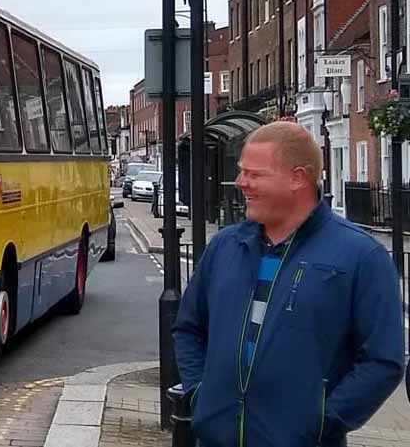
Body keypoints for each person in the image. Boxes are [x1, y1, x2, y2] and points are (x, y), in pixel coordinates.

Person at [173, 122, 404, 447]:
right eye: (242, 172)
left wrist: (322, 420)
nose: (241, 183)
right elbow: (188, 329)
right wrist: (201, 394)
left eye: (254, 174)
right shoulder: (225, 246)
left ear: (298, 177)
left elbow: (382, 361)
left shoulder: (362, 257)